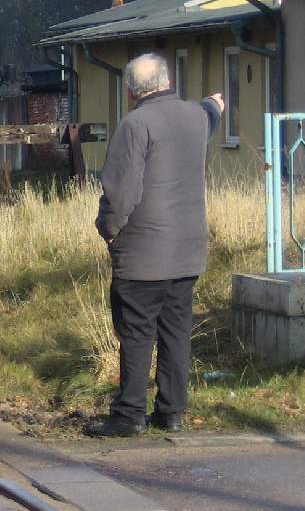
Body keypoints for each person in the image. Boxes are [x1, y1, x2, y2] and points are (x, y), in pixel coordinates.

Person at [88, 53, 224, 437]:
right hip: (187, 252)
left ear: (131, 91)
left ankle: (129, 414)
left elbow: (121, 190)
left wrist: (108, 228)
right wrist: (215, 103)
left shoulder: (135, 124)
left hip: (143, 254)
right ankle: (172, 411)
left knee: (135, 333)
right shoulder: (195, 118)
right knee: (176, 332)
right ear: (167, 80)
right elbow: (209, 113)